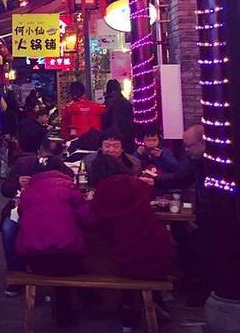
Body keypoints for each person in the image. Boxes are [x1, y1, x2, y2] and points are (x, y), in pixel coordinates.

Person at [90, 154, 175, 330]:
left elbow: (92, 220)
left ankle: (127, 310)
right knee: (139, 266)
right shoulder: (136, 183)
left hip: (129, 257)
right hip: (160, 249)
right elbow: (151, 194)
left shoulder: (101, 193)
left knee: (121, 263)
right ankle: (147, 303)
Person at [14, 157, 96, 324]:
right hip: (68, 259)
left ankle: (71, 306)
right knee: (68, 254)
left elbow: (22, 217)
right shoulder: (70, 190)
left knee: (58, 252)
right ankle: (79, 302)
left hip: (34, 259)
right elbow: (89, 221)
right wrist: (88, 203)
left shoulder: (27, 193)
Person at [142, 124, 210, 306]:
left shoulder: (214, 161)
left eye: (189, 145)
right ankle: (195, 282)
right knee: (191, 241)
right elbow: (181, 177)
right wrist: (155, 181)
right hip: (203, 210)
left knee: (202, 247)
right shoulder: (194, 158)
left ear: (204, 142)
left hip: (214, 212)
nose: (186, 150)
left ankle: (205, 290)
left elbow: (179, 174)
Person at [102, 79, 136, 152]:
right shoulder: (126, 102)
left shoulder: (108, 102)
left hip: (113, 135)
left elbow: (105, 120)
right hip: (128, 134)